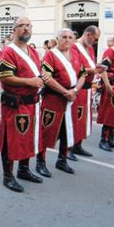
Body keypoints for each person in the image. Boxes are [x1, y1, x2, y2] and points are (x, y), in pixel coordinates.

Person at [0, 17, 46, 192]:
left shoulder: (33, 52)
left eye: (28, 26)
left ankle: (24, 169)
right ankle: (7, 176)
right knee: (11, 139)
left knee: (28, 138)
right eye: (21, 26)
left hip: (32, 104)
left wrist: (41, 79)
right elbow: (3, 76)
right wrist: (29, 82)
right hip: (15, 104)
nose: (25, 29)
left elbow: (37, 74)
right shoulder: (8, 52)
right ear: (14, 29)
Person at [37, 28, 85, 175]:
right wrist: (65, 92)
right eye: (64, 37)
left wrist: (75, 91)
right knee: (47, 130)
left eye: (70, 37)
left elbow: (83, 74)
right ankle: (40, 162)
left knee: (67, 131)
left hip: (71, 98)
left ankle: (62, 160)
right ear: (57, 39)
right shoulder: (50, 55)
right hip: (54, 99)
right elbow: (47, 78)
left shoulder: (76, 54)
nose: (67, 40)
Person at [69, 26, 104, 160]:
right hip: (78, 87)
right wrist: (91, 70)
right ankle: (69, 148)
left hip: (88, 88)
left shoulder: (89, 48)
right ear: (88, 34)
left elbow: (89, 65)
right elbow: (74, 67)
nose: (95, 42)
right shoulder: (74, 47)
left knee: (83, 120)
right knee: (74, 119)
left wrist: (96, 68)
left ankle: (78, 145)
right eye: (95, 39)